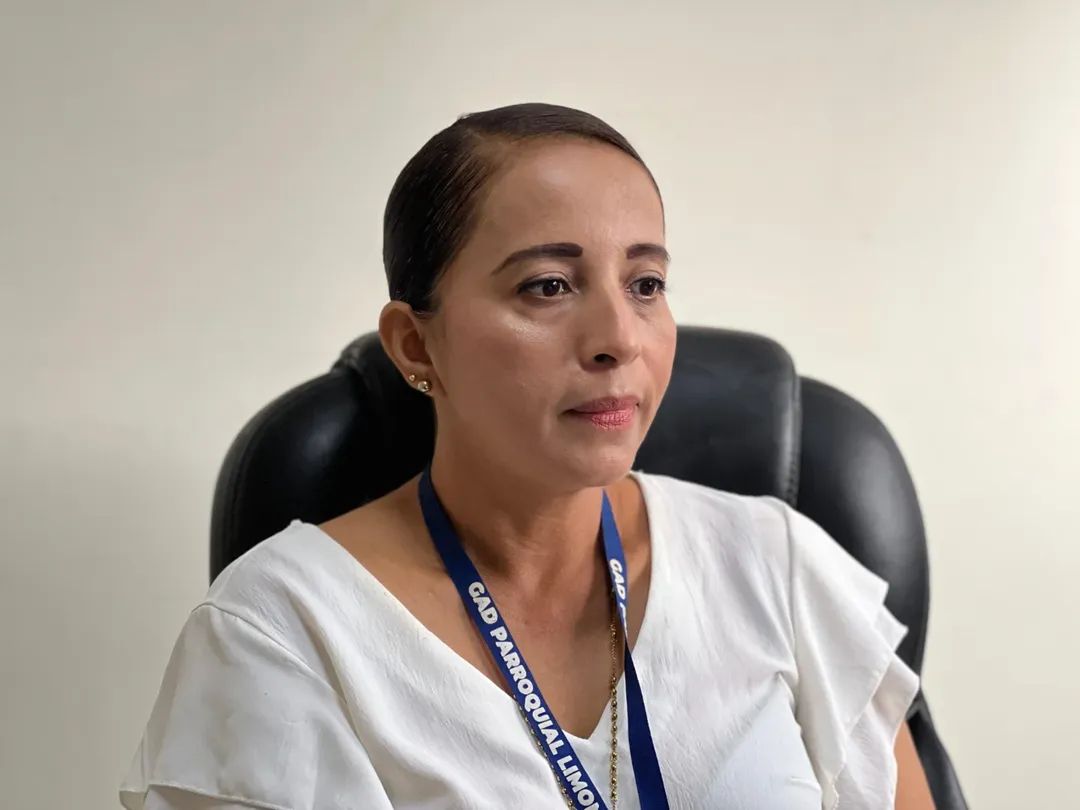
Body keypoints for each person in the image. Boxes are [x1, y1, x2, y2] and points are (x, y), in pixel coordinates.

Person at [119, 102, 936, 810]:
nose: (618, 338)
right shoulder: (280, 631)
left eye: (646, 284)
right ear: (415, 344)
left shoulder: (775, 564)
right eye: (548, 285)